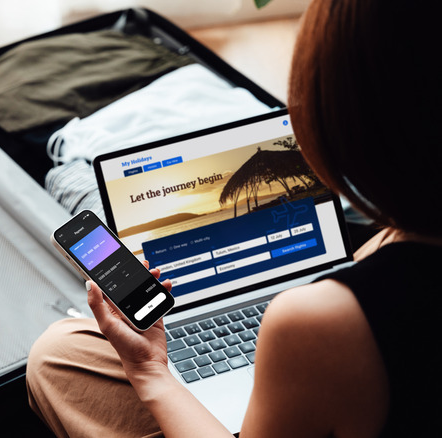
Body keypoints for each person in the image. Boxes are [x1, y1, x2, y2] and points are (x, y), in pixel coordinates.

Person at [25, 0, 442, 436]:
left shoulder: (320, 322)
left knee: (57, 360)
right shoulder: (402, 236)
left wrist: (150, 372)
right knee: (65, 348)